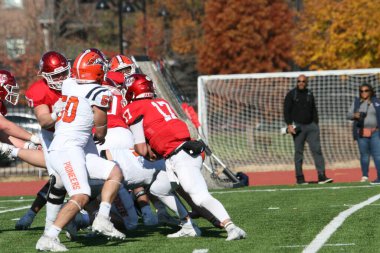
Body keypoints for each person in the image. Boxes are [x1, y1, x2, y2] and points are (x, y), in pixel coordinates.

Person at [121, 73, 246, 241]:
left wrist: (149, 152)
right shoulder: (161, 102)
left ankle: (231, 227)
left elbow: (142, 149)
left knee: (199, 196)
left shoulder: (133, 108)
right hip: (181, 152)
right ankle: (188, 226)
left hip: (180, 155)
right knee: (159, 189)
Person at [35, 49, 125, 251]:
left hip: (73, 148)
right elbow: (100, 125)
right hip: (67, 149)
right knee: (81, 194)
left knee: (114, 171)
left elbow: (74, 92)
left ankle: (102, 217)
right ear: (96, 70)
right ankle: (48, 237)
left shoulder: (69, 84)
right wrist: (100, 135)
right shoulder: (99, 92)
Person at [283, 74, 333, 185]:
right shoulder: (291, 94)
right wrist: (289, 125)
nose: (301, 83)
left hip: (311, 127)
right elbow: (286, 111)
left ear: (306, 82)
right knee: (299, 152)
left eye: (303, 81)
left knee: (317, 150)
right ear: (296, 82)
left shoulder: (310, 94)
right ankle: (300, 178)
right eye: (299, 81)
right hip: (298, 128)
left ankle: (322, 176)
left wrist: (315, 124)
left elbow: (314, 109)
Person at [347, 84, 380, 184]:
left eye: (366, 90)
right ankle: (365, 175)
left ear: (370, 91)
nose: (364, 93)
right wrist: (354, 115)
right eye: (361, 91)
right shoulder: (357, 102)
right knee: (364, 155)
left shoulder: (376, 101)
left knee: (378, 155)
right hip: (362, 133)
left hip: (375, 132)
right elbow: (348, 115)